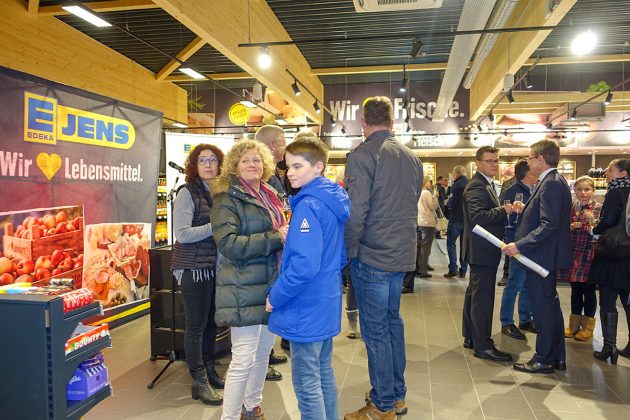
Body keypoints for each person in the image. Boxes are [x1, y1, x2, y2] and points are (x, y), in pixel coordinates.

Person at [344, 96, 422, 420]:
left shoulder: (362, 155)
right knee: (392, 325)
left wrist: (348, 252)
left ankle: (382, 405)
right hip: (400, 254)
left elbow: (355, 212)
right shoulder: (412, 157)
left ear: (363, 122)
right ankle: (396, 395)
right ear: (392, 122)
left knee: (375, 331)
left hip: (372, 256)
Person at [267, 138, 350, 420]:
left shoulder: (308, 205)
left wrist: (274, 297)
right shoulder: (330, 200)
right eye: (288, 166)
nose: (290, 173)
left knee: (306, 382)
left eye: (297, 166)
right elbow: (338, 257)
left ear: (318, 167)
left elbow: (303, 267)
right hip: (325, 300)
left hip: (306, 305)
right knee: (322, 372)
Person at [210, 140, 289, 420]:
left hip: (270, 283)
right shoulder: (227, 197)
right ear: (234, 165)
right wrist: (275, 237)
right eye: (245, 161)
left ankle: (251, 407)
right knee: (243, 357)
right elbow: (228, 244)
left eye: (256, 160)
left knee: (263, 352)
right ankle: (229, 416)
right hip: (242, 286)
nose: (252, 165)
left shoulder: (267, 192)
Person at [503, 140, 572, 374]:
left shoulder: (551, 183)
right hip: (544, 256)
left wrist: (519, 245)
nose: (529, 162)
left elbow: (549, 224)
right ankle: (557, 356)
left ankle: (543, 358)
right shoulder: (552, 181)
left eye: (531, 157)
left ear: (541, 159)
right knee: (550, 306)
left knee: (543, 308)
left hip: (541, 257)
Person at [171, 144, 225, 406]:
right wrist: (215, 226)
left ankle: (210, 369)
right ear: (194, 164)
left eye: (213, 160)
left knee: (212, 324)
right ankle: (199, 381)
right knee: (196, 326)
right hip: (193, 269)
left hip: (212, 268)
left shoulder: (216, 192)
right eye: (202, 160)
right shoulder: (186, 192)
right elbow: (182, 234)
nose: (208, 164)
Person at [461, 146, 514, 362]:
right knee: (482, 298)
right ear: (479, 163)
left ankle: (472, 337)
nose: (494, 164)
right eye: (490, 161)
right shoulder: (477, 186)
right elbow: (478, 217)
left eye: (496, 161)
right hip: (482, 250)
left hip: (482, 249)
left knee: (475, 294)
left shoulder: (485, 184)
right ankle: (483, 345)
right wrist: (504, 210)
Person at [254, 125, 289, 375]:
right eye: (284, 142)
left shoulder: (273, 174)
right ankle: (260, 362)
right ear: (274, 145)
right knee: (260, 307)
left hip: (274, 248)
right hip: (262, 250)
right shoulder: (260, 177)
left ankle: (266, 353)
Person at [588, 158, 630, 364]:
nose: (606, 173)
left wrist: (594, 229)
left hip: (612, 254)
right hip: (628, 255)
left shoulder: (615, 192)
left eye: (611, 170)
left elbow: (609, 220)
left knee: (607, 300)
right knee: (627, 300)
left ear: (623, 173)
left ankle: (609, 346)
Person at [498, 158, 537, 340]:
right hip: (518, 245)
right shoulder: (512, 192)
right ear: (528, 172)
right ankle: (506, 322)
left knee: (529, 284)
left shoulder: (536, 190)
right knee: (514, 283)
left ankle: (525, 318)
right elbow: (506, 222)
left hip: (533, 243)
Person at [559, 176, 601, 341]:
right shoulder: (571, 207)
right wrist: (570, 226)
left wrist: (592, 225)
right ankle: (574, 325)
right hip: (574, 253)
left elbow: (602, 232)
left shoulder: (599, 208)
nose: (583, 193)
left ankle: (588, 327)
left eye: (587, 189)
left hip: (590, 253)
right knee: (575, 289)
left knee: (589, 290)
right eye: (579, 189)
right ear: (574, 190)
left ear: (593, 191)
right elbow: (561, 228)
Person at [403, 175, 438, 293]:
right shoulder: (427, 193)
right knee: (425, 248)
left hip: (419, 221)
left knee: (418, 247)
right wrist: (435, 198)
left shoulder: (417, 192)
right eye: (430, 181)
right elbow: (433, 206)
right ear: (425, 182)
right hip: (427, 222)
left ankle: (418, 268)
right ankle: (423, 270)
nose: (431, 183)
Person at [444, 165, 468, 278]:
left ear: (457, 173)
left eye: (453, 174)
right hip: (467, 220)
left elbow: (451, 204)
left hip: (456, 219)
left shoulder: (456, 185)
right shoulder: (470, 183)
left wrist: (447, 205)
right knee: (465, 245)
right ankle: (463, 270)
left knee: (451, 243)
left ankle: (453, 268)